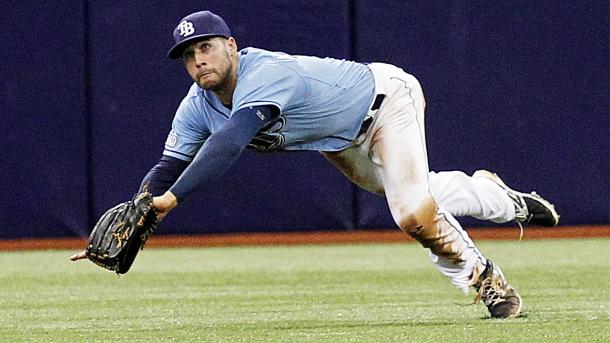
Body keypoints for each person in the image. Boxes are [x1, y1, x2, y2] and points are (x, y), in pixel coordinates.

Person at [72, 10, 559, 318]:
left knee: (410, 212)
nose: (199, 60)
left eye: (206, 46)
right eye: (188, 55)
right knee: (414, 193)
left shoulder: (264, 74)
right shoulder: (196, 105)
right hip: (339, 138)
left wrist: (170, 202)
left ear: (231, 47)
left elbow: (231, 141)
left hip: (385, 100)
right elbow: (169, 164)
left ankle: (485, 281)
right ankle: (499, 197)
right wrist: (140, 204)